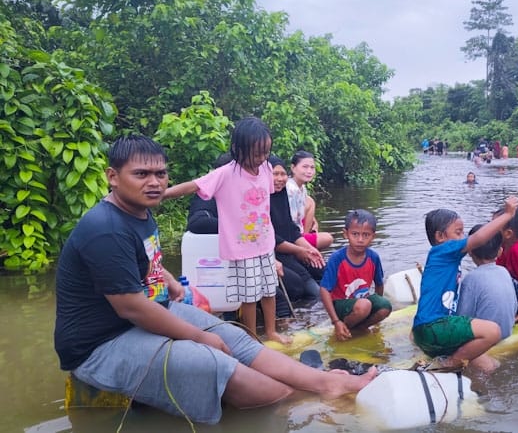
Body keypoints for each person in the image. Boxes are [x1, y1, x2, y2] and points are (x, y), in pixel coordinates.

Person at [53, 135, 377, 425]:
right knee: (212, 361)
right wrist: (198, 337)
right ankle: (301, 397)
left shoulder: (139, 211)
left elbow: (141, 261)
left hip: (145, 315)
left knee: (233, 337)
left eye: (160, 174)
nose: (154, 182)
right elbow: (132, 308)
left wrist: (169, 280)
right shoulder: (105, 228)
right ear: (113, 177)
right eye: (141, 174)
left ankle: (324, 383)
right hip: (102, 343)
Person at [164, 117, 289, 344]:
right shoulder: (226, 173)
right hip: (242, 248)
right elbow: (193, 185)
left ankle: (271, 331)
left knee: (270, 290)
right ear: (238, 149)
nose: (261, 158)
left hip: (265, 243)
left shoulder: (266, 168)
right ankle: (252, 338)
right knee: (249, 297)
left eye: (266, 152)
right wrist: (162, 194)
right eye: (257, 153)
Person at [412, 196, 518, 372]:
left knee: (490, 367)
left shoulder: (443, 258)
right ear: (440, 236)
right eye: (458, 232)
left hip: (428, 331)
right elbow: (479, 238)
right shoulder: (444, 251)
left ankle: (453, 366)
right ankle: (452, 364)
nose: (463, 237)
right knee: (493, 331)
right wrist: (507, 215)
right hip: (434, 327)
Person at [185, 152, 294, 319]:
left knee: (282, 291)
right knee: (272, 297)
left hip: (252, 255)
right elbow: (197, 223)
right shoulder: (210, 195)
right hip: (225, 263)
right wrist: (233, 227)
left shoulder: (246, 191)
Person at [320, 209, 392, 341]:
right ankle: (342, 327)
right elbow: (324, 289)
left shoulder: (373, 257)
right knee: (364, 305)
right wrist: (336, 321)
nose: (360, 240)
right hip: (341, 305)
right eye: (355, 234)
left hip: (361, 304)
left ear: (373, 236)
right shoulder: (337, 258)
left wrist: (377, 309)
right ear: (345, 234)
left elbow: (379, 285)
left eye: (366, 235)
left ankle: (358, 329)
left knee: (385, 306)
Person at [269, 154, 325, 302]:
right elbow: (270, 238)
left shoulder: (280, 196)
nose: (280, 179)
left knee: (321, 269)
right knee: (298, 286)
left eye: (282, 174)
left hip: (288, 249)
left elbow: (291, 228)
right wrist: (300, 251)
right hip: (272, 253)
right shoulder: (260, 200)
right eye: (275, 174)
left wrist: (309, 249)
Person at [456, 224, 517, 343]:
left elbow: (462, 318)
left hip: (485, 340)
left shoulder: (471, 279)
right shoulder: (504, 272)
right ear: (500, 251)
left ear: (470, 251)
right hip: (506, 332)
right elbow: (513, 306)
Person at [286, 151, 334, 251]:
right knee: (328, 238)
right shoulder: (291, 189)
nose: (309, 171)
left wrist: (314, 221)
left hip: (295, 227)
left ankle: (305, 238)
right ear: (293, 168)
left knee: (309, 201)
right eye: (305, 167)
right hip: (291, 235)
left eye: (312, 168)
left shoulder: (301, 188)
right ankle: (303, 241)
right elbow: (291, 220)